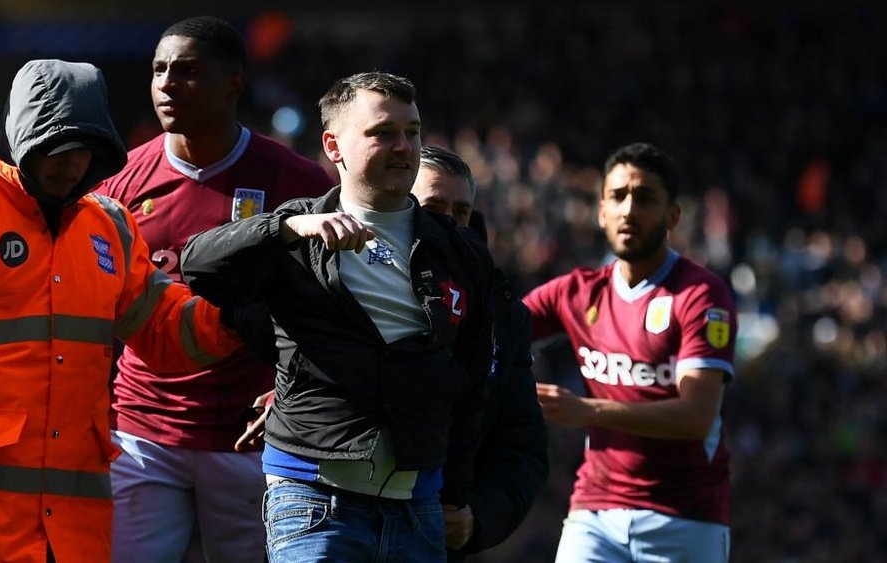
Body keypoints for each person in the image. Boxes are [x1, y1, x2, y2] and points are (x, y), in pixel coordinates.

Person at [0, 59, 243, 563]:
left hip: (70, 534)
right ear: (20, 138)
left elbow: (166, 331)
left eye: (87, 151)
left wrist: (239, 318)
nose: (71, 164)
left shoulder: (109, 228)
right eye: (55, 148)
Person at [180, 71, 494, 562]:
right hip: (312, 499)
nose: (403, 147)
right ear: (334, 146)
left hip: (418, 505)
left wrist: (453, 491)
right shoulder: (297, 232)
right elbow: (198, 265)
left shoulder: (458, 250)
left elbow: (472, 379)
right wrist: (287, 228)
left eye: (412, 132)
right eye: (382, 133)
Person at [96, 16, 334, 562]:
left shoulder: (299, 183)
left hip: (252, 436)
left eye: (189, 71)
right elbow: (101, 307)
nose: (168, 84)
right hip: (142, 433)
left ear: (234, 84)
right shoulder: (119, 184)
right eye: (159, 70)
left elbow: (330, 308)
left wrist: (295, 395)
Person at [522, 142, 737, 562]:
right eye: (618, 196)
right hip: (595, 514)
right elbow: (495, 326)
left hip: (686, 520)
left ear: (673, 216)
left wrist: (588, 410)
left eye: (646, 198)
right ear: (601, 210)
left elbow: (696, 416)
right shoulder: (576, 291)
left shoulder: (700, 294)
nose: (630, 210)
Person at [410, 145, 549, 560]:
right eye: (434, 207)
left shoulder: (501, 313)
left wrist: (478, 516)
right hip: (347, 517)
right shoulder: (352, 274)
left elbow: (522, 446)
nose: (450, 224)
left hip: (438, 535)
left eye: (462, 212)